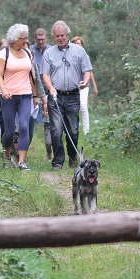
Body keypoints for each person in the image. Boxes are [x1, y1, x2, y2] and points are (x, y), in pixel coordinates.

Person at [42, 20, 92, 170]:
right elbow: (45, 74)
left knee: (73, 130)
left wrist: (85, 82)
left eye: (62, 35)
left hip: (73, 96)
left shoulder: (79, 51)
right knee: (56, 129)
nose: (60, 38)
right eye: (57, 36)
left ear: (67, 35)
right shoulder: (49, 53)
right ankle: (58, 161)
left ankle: (72, 156)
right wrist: (50, 88)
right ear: (54, 37)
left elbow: (87, 70)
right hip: (55, 96)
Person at [0, 24, 39, 171]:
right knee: (8, 132)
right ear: (15, 40)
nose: (26, 41)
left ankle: (21, 162)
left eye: (27, 38)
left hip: (25, 95)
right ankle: (7, 155)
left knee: (24, 127)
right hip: (8, 97)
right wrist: (3, 90)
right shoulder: (4, 54)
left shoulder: (28, 53)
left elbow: (31, 76)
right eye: (23, 38)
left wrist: (35, 95)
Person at [30, 27, 53, 160]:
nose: (40, 42)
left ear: (46, 38)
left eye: (43, 39)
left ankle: (48, 143)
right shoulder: (31, 50)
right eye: (38, 40)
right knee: (36, 110)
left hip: (48, 83)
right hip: (35, 84)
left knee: (48, 112)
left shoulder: (51, 49)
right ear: (35, 39)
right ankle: (36, 130)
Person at [71, 36, 98, 135]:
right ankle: (74, 128)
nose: (77, 45)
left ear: (82, 45)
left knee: (83, 106)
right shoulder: (70, 56)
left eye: (79, 44)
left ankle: (86, 131)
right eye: (75, 43)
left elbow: (90, 72)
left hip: (84, 85)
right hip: (73, 85)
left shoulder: (86, 57)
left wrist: (94, 86)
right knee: (73, 107)